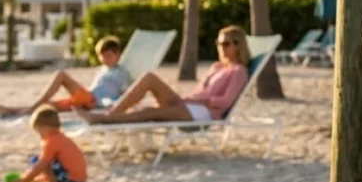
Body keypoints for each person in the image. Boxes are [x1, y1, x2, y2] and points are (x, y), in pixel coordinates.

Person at [77, 26, 250, 125]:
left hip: (204, 112)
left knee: (149, 112)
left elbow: (226, 101)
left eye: (226, 44)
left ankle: (104, 119)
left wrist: (204, 101)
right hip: (188, 103)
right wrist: (189, 98)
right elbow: (200, 90)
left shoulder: (238, 71)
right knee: (149, 78)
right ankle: (113, 113)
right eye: (219, 43)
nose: (221, 47)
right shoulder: (217, 67)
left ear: (238, 45)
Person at [0, 36, 132, 116]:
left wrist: (112, 106)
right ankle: (12, 111)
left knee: (62, 75)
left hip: (96, 102)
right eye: (102, 56)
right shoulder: (103, 70)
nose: (105, 59)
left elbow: (128, 95)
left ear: (118, 55)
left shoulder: (122, 73)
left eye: (108, 56)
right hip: (86, 99)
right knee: (49, 107)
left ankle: (32, 106)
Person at [16, 105, 88, 182]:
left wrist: (24, 180)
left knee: (40, 161)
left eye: (39, 132)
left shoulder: (52, 142)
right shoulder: (61, 137)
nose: (40, 136)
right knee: (45, 160)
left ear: (46, 127)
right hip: (78, 181)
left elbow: (41, 165)